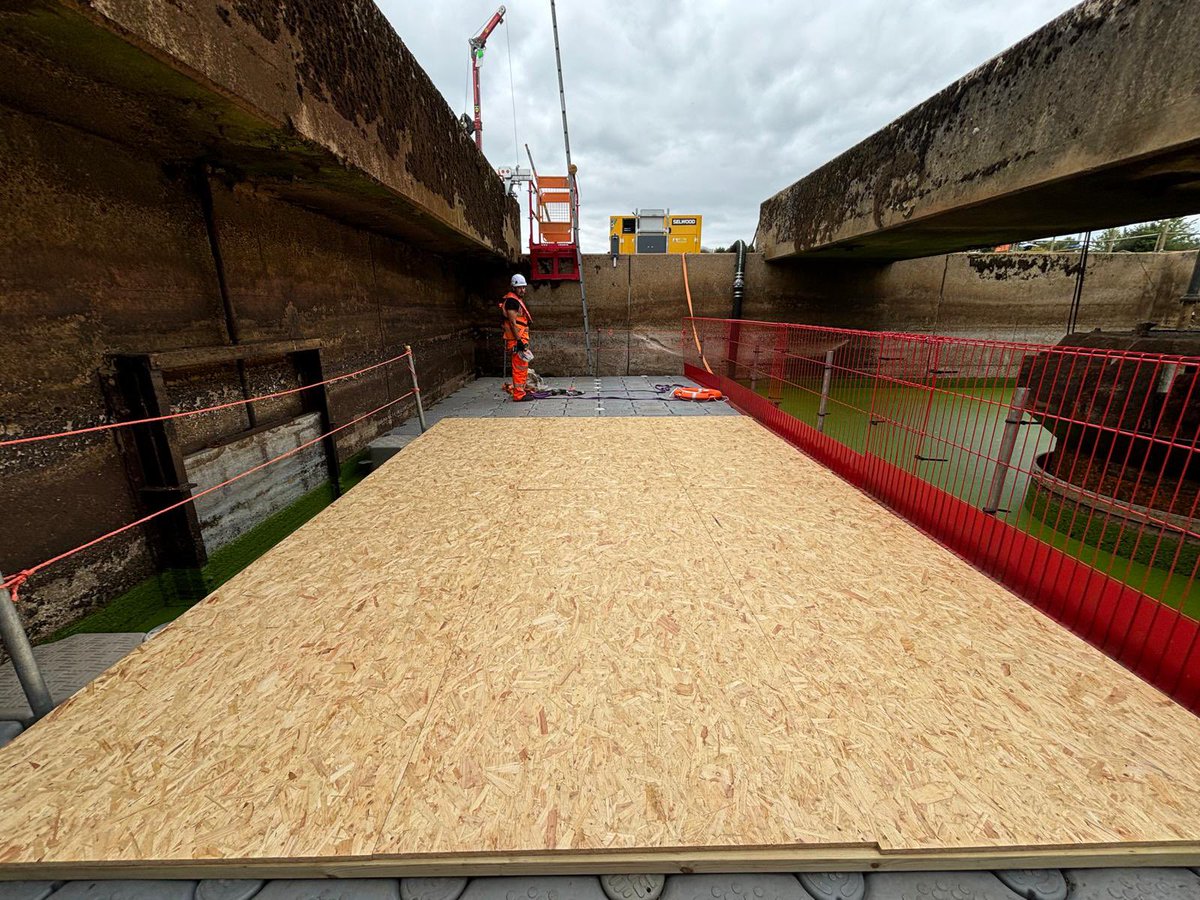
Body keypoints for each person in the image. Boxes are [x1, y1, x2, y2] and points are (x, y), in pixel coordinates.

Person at [500, 273, 534, 401]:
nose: (522, 290)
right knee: (519, 367)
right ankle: (519, 394)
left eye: (524, 287)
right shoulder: (512, 302)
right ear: (513, 288)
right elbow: (513, 323)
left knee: (522, 366)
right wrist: (519, 340)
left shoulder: (515, 300)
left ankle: (521, 391)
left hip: (520, 338)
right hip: (516, 340)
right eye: (519, 287)